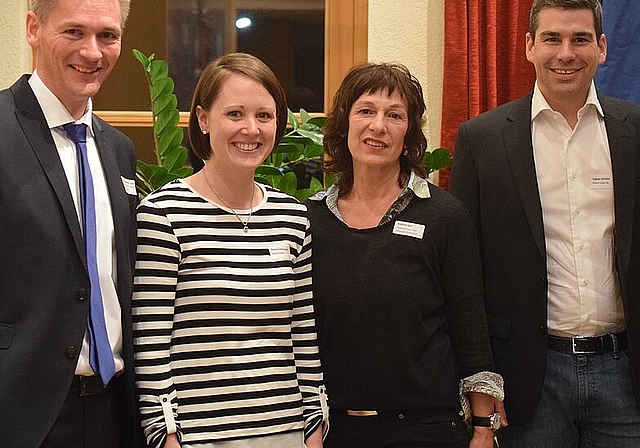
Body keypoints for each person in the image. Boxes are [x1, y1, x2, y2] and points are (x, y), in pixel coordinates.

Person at [449, 0, 640, 447]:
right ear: (529, 46)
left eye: (580, 39)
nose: (566, 53)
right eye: (552, 38)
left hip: (626, 376)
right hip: (529, 379)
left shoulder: (635, 132)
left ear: (603, 48)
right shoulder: (482, 139)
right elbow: (464, 273)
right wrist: (480, 379)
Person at [133, 53, 328, 448]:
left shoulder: (292, 216)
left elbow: (303, 333)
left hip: (285, 431)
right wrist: (164, 434)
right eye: (235, 113)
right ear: (203, 120)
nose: (251, 129)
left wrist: (315, 426)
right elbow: (152, 344)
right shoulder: (164, 213)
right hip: (198, 436)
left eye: (264, 116)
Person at [306, 62, 504, 448]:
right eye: (366, 111)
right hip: (330, 432)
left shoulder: (444, 216)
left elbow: (470, 328)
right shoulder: (309, 220)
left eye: (394, 115)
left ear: (409, 133)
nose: (378, 126)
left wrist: (484, 426)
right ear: (344, 123)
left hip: (425, 430)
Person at [0, 0, 140, 447]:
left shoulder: (119, 149)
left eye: (108, 35)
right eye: (74, 32)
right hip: (22, 415)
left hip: (112, 412)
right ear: (33, 28)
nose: (93, 52)